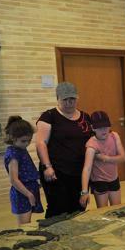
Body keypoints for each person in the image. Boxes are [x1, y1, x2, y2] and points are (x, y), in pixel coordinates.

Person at [36, 82, 92, 218]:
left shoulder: (85, 117)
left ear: (77, 98)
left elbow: (93, 141)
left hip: (80, 171)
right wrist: (47, 166)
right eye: (65, 99)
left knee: (79, 206)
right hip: (56, 171)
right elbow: (40, 143)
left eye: (72, 99)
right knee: (58, 207)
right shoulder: (49, 116)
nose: (69, 103)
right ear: (58, 99)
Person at [80, 111, 125, 209]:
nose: (103, 130)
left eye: (105, 126)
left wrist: (105, 158)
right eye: (99, 128)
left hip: (114, 178)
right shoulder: (91, 145)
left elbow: (123, 158)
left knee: (117, 209)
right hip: (99, 181)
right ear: (93, 128)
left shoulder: (114, 136)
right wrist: (84, 191)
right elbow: (86, 169)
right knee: (103, 212)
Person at [3, 116, 44, 225]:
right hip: (22, 193)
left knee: (28, 222)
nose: (27, 144)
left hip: (29, 189)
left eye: (29, 140)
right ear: (12, 137)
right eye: (23, 141)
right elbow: (14, 180)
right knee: (24, 225)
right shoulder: (13, 154)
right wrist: (29, 194)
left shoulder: (20, 148)